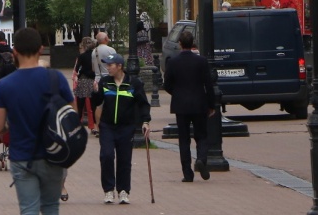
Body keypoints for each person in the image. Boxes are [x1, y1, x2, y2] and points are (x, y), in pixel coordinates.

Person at [0, 27, 73, 215]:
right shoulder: (55, 79)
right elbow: (69, 114)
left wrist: (10, 128)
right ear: (41, 50)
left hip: (22, 157)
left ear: (14, 52)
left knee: (28, 214)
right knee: (50, 210)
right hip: (53, 155)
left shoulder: (5, 85)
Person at [91, 52, 152, 205]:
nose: (107, 68)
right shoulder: (105, 82)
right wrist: (96, 91)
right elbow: (97, 102)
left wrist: (145, 121)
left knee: (124, 159)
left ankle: (123, 190)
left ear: (119, 66)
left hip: (126, 127)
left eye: (110, 65)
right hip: (107, 126)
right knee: (106, 155)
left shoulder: (134, 83)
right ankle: (108, 190)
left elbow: (143, 103)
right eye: (107, 65)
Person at [162, 31, 215, 183]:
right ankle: (201, 159)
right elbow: (208, 85)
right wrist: (211, 104)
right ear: (192, 44)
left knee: (184, 139)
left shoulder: (173, 62)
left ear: (180, 44)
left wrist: (176, 94)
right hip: (199, 104)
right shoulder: (202, 61)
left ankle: (187, 173)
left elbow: (167, 85)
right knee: (202, 136)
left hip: (181, 106)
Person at [72, 37, 98, 134]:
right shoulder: (95, 55)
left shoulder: (82, 56)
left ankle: (77, 125)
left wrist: (77, 75)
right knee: (93, 105)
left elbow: (77, 68)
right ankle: (95, 126)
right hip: (93, 80)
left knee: (80, 104)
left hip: (83, 80)